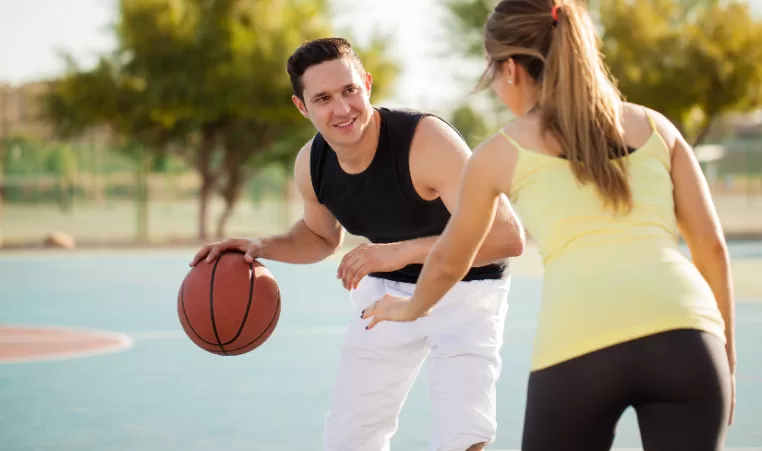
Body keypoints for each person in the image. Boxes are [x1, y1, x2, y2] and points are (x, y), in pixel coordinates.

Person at [362, 1, 736, 450]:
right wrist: (724, 359)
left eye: (493, 75)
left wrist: (408, 308)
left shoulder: (499, 153)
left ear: (512, 70)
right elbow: (710, 246)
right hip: (689, 339)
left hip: (581, 342)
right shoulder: (657, 128)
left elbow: (448, 260)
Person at [190, 37, 525, 451]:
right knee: (351, 437)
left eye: (350, 90)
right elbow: (319, 237)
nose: (343, 108)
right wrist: (258, 246)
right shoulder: (312, 164)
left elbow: (506, 237)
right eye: (324, 98)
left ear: (366, 84)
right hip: (386, 293)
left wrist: (398, 251)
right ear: (302, 106)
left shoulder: (425, 142)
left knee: (462, 434)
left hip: (468, 288)